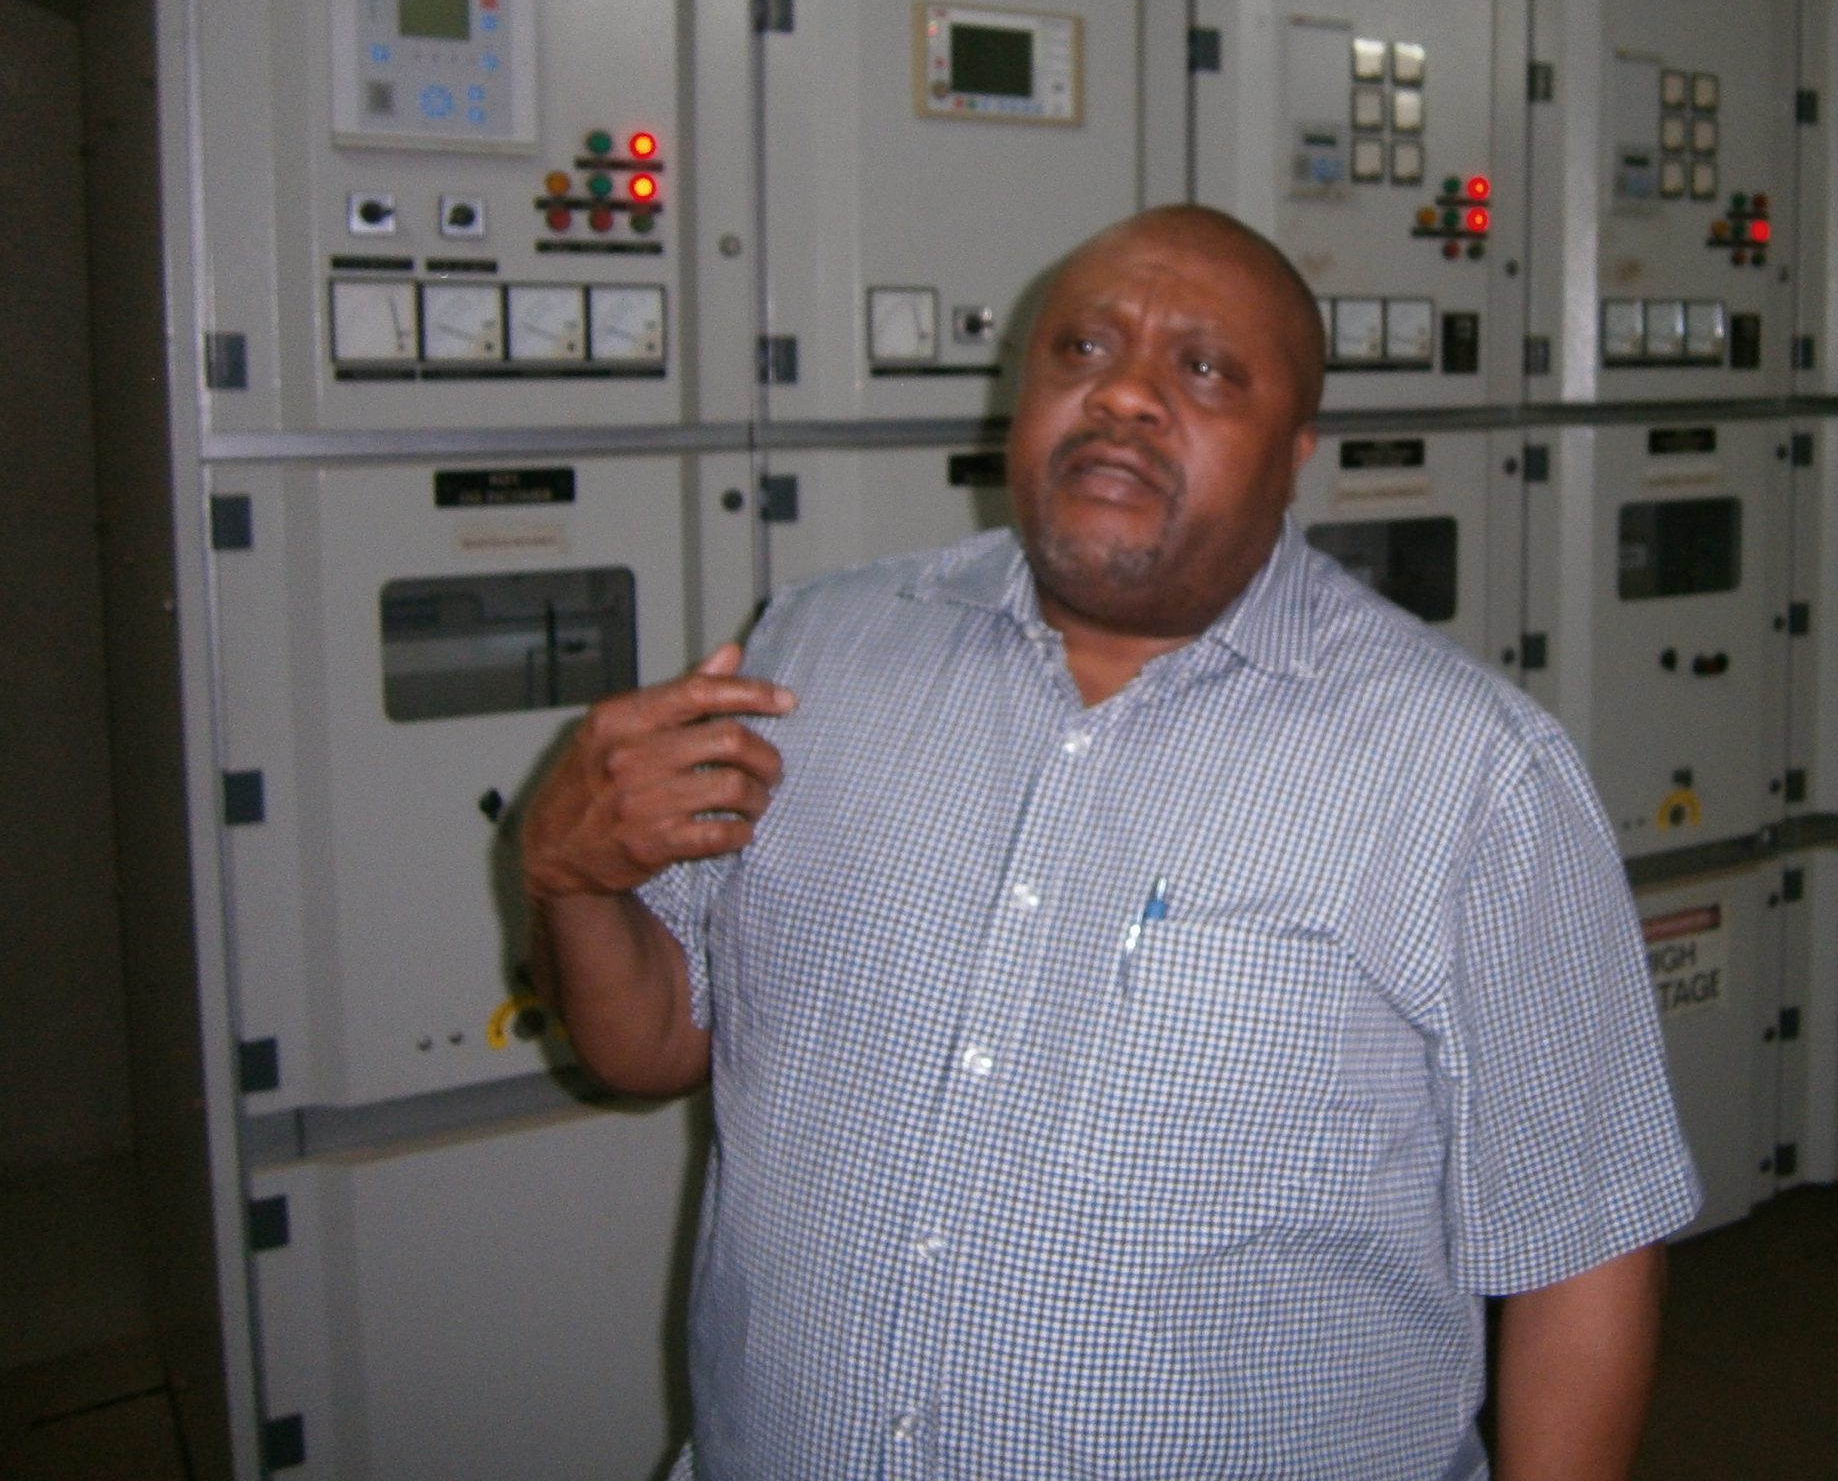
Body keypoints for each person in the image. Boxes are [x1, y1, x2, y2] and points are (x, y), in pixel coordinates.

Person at [520, 204, 1699, 1479]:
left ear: (1295, 451)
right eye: (1080, 350)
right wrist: (573, 882)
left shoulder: (1469, 773)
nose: (1124, 394)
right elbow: (655, 1040)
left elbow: (1582, 1248)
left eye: (1204, 368)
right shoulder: (811, 655)